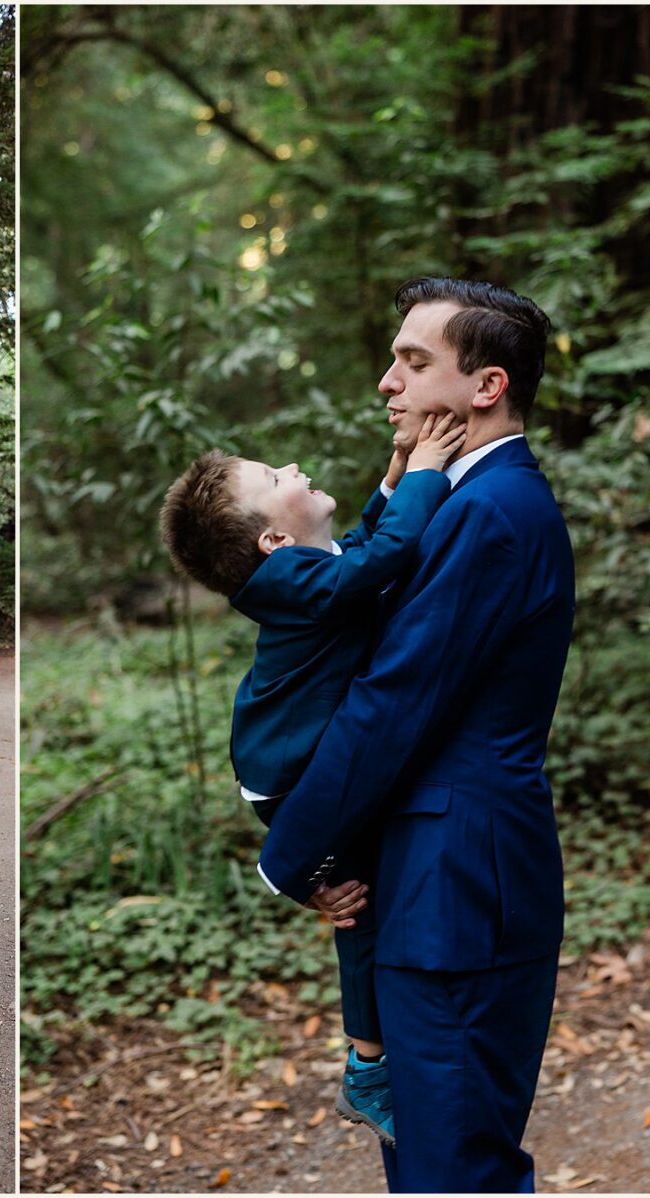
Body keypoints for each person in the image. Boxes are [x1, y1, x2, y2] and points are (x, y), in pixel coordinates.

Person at [257, 277, 573, 1192]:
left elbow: (394, 702)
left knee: (453, 1169)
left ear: (487, 387)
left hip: (461, 890)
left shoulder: (496, 514)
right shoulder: (451, 501)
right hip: (423, 884)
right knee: (425, 1160)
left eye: (413, 361)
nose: (387, 382)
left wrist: (290, 855)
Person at [159, 412, 464, 1146]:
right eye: (273, 479)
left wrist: (393, 475)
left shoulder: (298, 566)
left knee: (358, 905)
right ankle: (365, 1066)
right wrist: (425, 470)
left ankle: (366, 1068)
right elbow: (380, 560)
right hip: (290, 774)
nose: (292, 470)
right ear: (273, 542)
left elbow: (360, 545)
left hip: (301, 767)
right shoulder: (287, 579)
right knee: (347, 903)